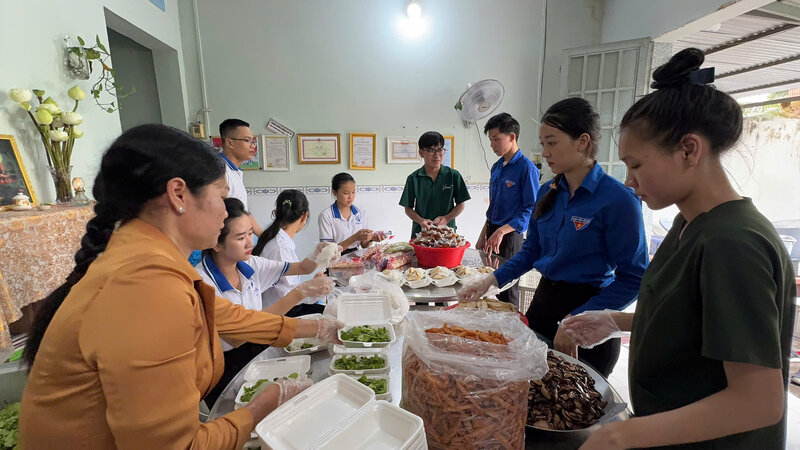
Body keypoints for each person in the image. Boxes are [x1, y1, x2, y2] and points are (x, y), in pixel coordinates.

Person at [19, 124, 343, 449]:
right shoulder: (145, 287)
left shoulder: (150, 257)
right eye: (221, 197)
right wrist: (261, 407)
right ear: (178, 195)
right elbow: (177, 445)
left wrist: (317, 328)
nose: (225, 212)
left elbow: (228, 316)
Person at [560, 48, 796, 449]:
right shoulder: (687, 224)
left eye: (636, 165)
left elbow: (759, 401)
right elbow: (699, 319)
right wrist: (616, 321)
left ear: (689, 149)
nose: (630, 181)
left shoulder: (733, 242)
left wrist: (622, 434)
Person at [458, 98, 648, 378]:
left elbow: (634, 277)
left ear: (582, 141)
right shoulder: (548, 191)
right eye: (543, 143)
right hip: (544, 305)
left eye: (552, 143)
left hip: (589, 314)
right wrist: (492, 280)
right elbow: (531, 251)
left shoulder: (617, 200)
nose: (545, 152)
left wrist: (579, 320)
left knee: (577, 397)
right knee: (531, 387)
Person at [197, 197, 336, 406]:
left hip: (257, 350)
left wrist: (320, 252)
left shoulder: (250, 264)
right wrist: (299, 293)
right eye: (240, 237)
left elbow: (302, 268)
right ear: (216, 242)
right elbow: (239, 336)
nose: (250, 243)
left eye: (250, 233)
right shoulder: (204, 283)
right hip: (226, 370)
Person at [476, 113, 540, 306]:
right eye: (490, 140)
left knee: (508, 288)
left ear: (512, 137)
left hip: (510, 237)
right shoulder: (497, 167)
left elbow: (531, 209)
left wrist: (502, 231)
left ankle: (512, 323)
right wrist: (484, 233)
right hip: (493, 232)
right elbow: (494, 206)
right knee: (490, 282)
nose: (492, 145)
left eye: (496, 139)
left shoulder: (526, 168)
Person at [253, 189, 327, 317]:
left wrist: (312, 285)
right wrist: (313, 289)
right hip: (279, 313)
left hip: (279, 307)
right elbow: (288, 296)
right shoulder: (280, 247)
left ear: (276, 213)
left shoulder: (276, 240)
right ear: (304, 216)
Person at [399, 131, 471, 239]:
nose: (437, 155)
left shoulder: (453, 175)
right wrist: (421, 221)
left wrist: (446, 218)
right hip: (421, 233)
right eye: (431, 150)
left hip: (447, 233)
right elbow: (408, 208)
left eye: (440, 150)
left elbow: (461, 204)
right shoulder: (413, 178)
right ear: (421, 153)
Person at [318, 172, 385, 254]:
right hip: (335, 258)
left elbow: (364, 245)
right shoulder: (326, 216)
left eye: (353, 192)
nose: (351, 197)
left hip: (355, 255)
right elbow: (328, 251)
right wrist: (354, 238)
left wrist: (371, 239)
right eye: (346, 193)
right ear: (334, 192)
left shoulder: (360, 212)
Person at [219, 118, 263, 236]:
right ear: (230, 143)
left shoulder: (234, 171)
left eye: (253, 141)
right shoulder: (220, 171)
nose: (252, 146)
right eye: (247, 140)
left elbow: (244, 211)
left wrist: (264, 237)